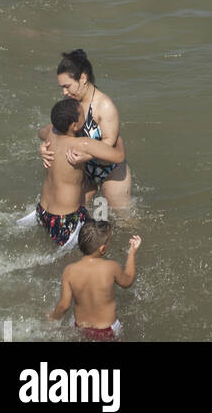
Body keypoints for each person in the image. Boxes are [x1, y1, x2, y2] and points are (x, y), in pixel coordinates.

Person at [47, 48, 132, 209]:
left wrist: (86, 156)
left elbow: (108, 146)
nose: (64, 92)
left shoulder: (104, 106)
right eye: (61, 87)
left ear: (83, 78)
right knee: (76, 213)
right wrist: (44, 148)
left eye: (67, 86)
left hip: (110, 171)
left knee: (124, 220)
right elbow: (58, 128)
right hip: (84, 171)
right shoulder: (71, 100)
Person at [47, 222, 140, 341]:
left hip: (80, 328)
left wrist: (53, 317)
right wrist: (131, 253)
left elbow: (64, 305)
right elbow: (128, 281)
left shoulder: (69, 271)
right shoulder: (111, 267)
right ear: (102, 248)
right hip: (107, 330)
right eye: (108, 242)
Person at [33, 99, 90, 248]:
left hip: (42, 211)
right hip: (66, 218)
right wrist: (90, 155)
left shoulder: (51, 132)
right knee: (77, 253)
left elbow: (40, 132)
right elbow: (117, 156)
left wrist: (42, 146)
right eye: (83, 114)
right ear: (74, 125)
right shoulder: (80, 144)